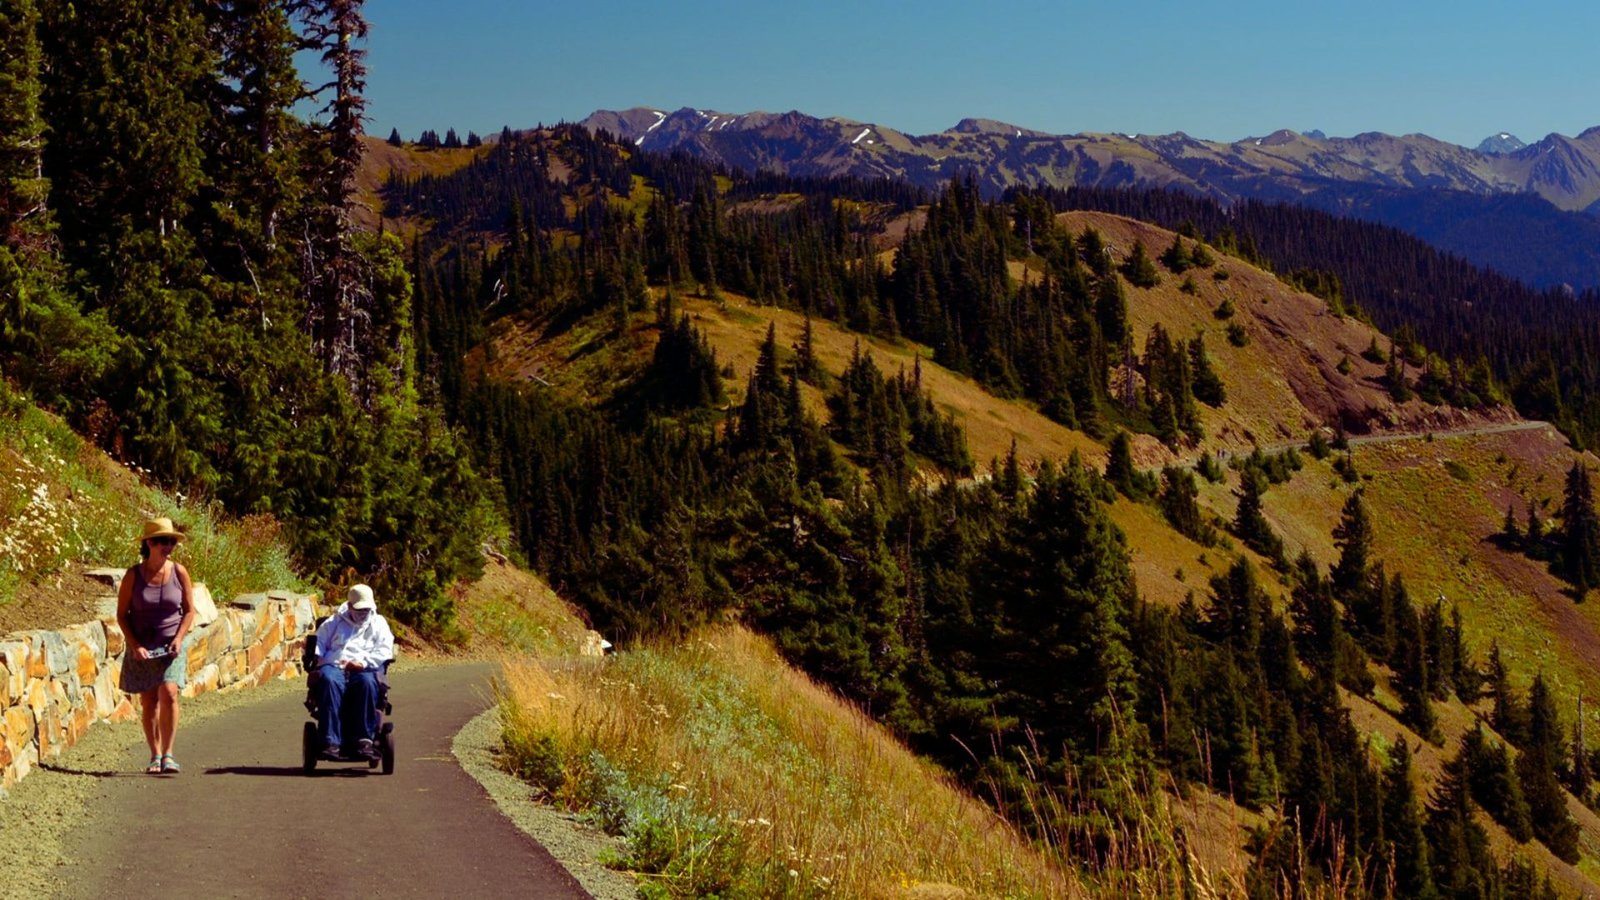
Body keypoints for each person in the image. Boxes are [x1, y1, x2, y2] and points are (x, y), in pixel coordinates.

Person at [116, 517, 197, 774]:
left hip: (170, 644)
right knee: (149, 700)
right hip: (143, 647)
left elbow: (189, 610)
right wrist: (135, 644)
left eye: (172, 541)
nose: (169, 546)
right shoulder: (133, 575)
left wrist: (179, 638)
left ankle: (169, 754)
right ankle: (155, 754)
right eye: (163, 541)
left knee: (170, 693)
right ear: (149, 543)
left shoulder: (179, 572)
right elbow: (121, 615)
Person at [312, 584, 395, 759]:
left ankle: (364, 740)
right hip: (335, 665)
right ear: (349, 606)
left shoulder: (379, 623)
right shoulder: (334, 622)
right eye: (359, 609)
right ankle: (330, 741)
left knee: (366, 683)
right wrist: (317, 658)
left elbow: (385, 649)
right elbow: (318, 642)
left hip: (365, 667)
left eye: (366, 609)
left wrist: (363, 663)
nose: (363, 613)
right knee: (328, 680)